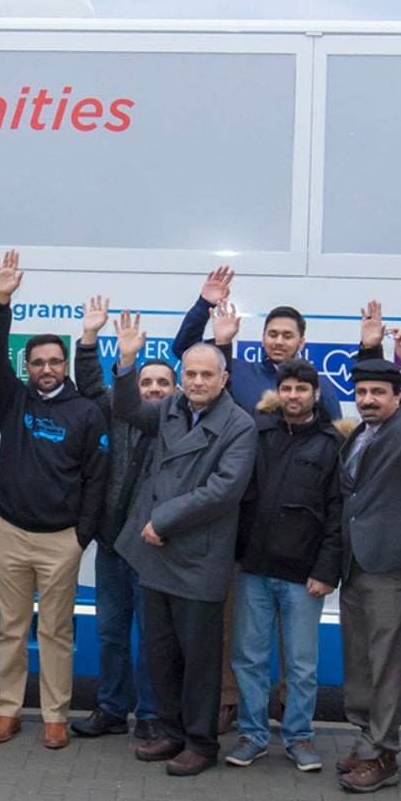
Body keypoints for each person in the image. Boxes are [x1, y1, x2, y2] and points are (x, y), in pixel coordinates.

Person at [108, 313, 256, 776]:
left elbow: (223, 490)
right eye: (189, 373)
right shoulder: (172, 408)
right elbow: (130, 410)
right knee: (161, 652)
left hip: (198, 558)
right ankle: (170, 732)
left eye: (206, 374)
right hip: (158, 556)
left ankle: (200, 741)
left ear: (224, 378)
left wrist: (162, 519)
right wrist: (127, 362)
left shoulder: (240, 425)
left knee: (200, 661)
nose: (196, 381)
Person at [0, 252, 106, 749]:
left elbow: (97, 481)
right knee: (10, 629)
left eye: (56, 361)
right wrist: (2, 301)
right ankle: (7, 710)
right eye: (38, 362)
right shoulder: (14, 400)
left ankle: (55, 716)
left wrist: (81, 538)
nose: (47, 368)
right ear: (26, 367)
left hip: (61, 542)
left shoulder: (87, 413)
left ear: (65, 365)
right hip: (10, 532)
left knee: (56, 633)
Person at [335, 316, 401, 794]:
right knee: (358, 658)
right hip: (356, 563)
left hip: (394, 565)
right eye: (362, 393)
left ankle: (385, 755)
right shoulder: (359, 434)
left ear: (398, 396)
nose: (369, 400)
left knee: (386, 662)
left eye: (380, 392)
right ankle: (366, 741)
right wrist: (368, 347)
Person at [225, 358, 343, 773]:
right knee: (249, 658)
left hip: (303, 575)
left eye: (302, 389)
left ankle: (299, 738)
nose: (294, 396)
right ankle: (252, 735)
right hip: (254, 568)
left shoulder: (332, 444)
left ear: (315, 394)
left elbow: (337, 513)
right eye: (287, 388)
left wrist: (327, 570)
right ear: (279, 392)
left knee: (301, 664)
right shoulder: (257, 432)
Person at [71, 296, 174, 744]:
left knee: (152, 639)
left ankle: (150, 714)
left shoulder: (180, 421)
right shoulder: (113, 405)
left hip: (152, 549)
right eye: (146, 381)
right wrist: (90, 340)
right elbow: (91, 385)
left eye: (162, 383)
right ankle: (112, 709)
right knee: (110, 633)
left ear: (175, 389)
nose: (152, 389)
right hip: (111, 545)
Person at [171, 265, 342, 418]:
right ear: (263, 339)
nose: (279, 341)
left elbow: (336, 440)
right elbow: (185, 350)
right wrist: (204, 305)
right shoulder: (239, 372)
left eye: (287, 336)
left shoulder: (320, 386)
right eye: (273, 334)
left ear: (301, 342)